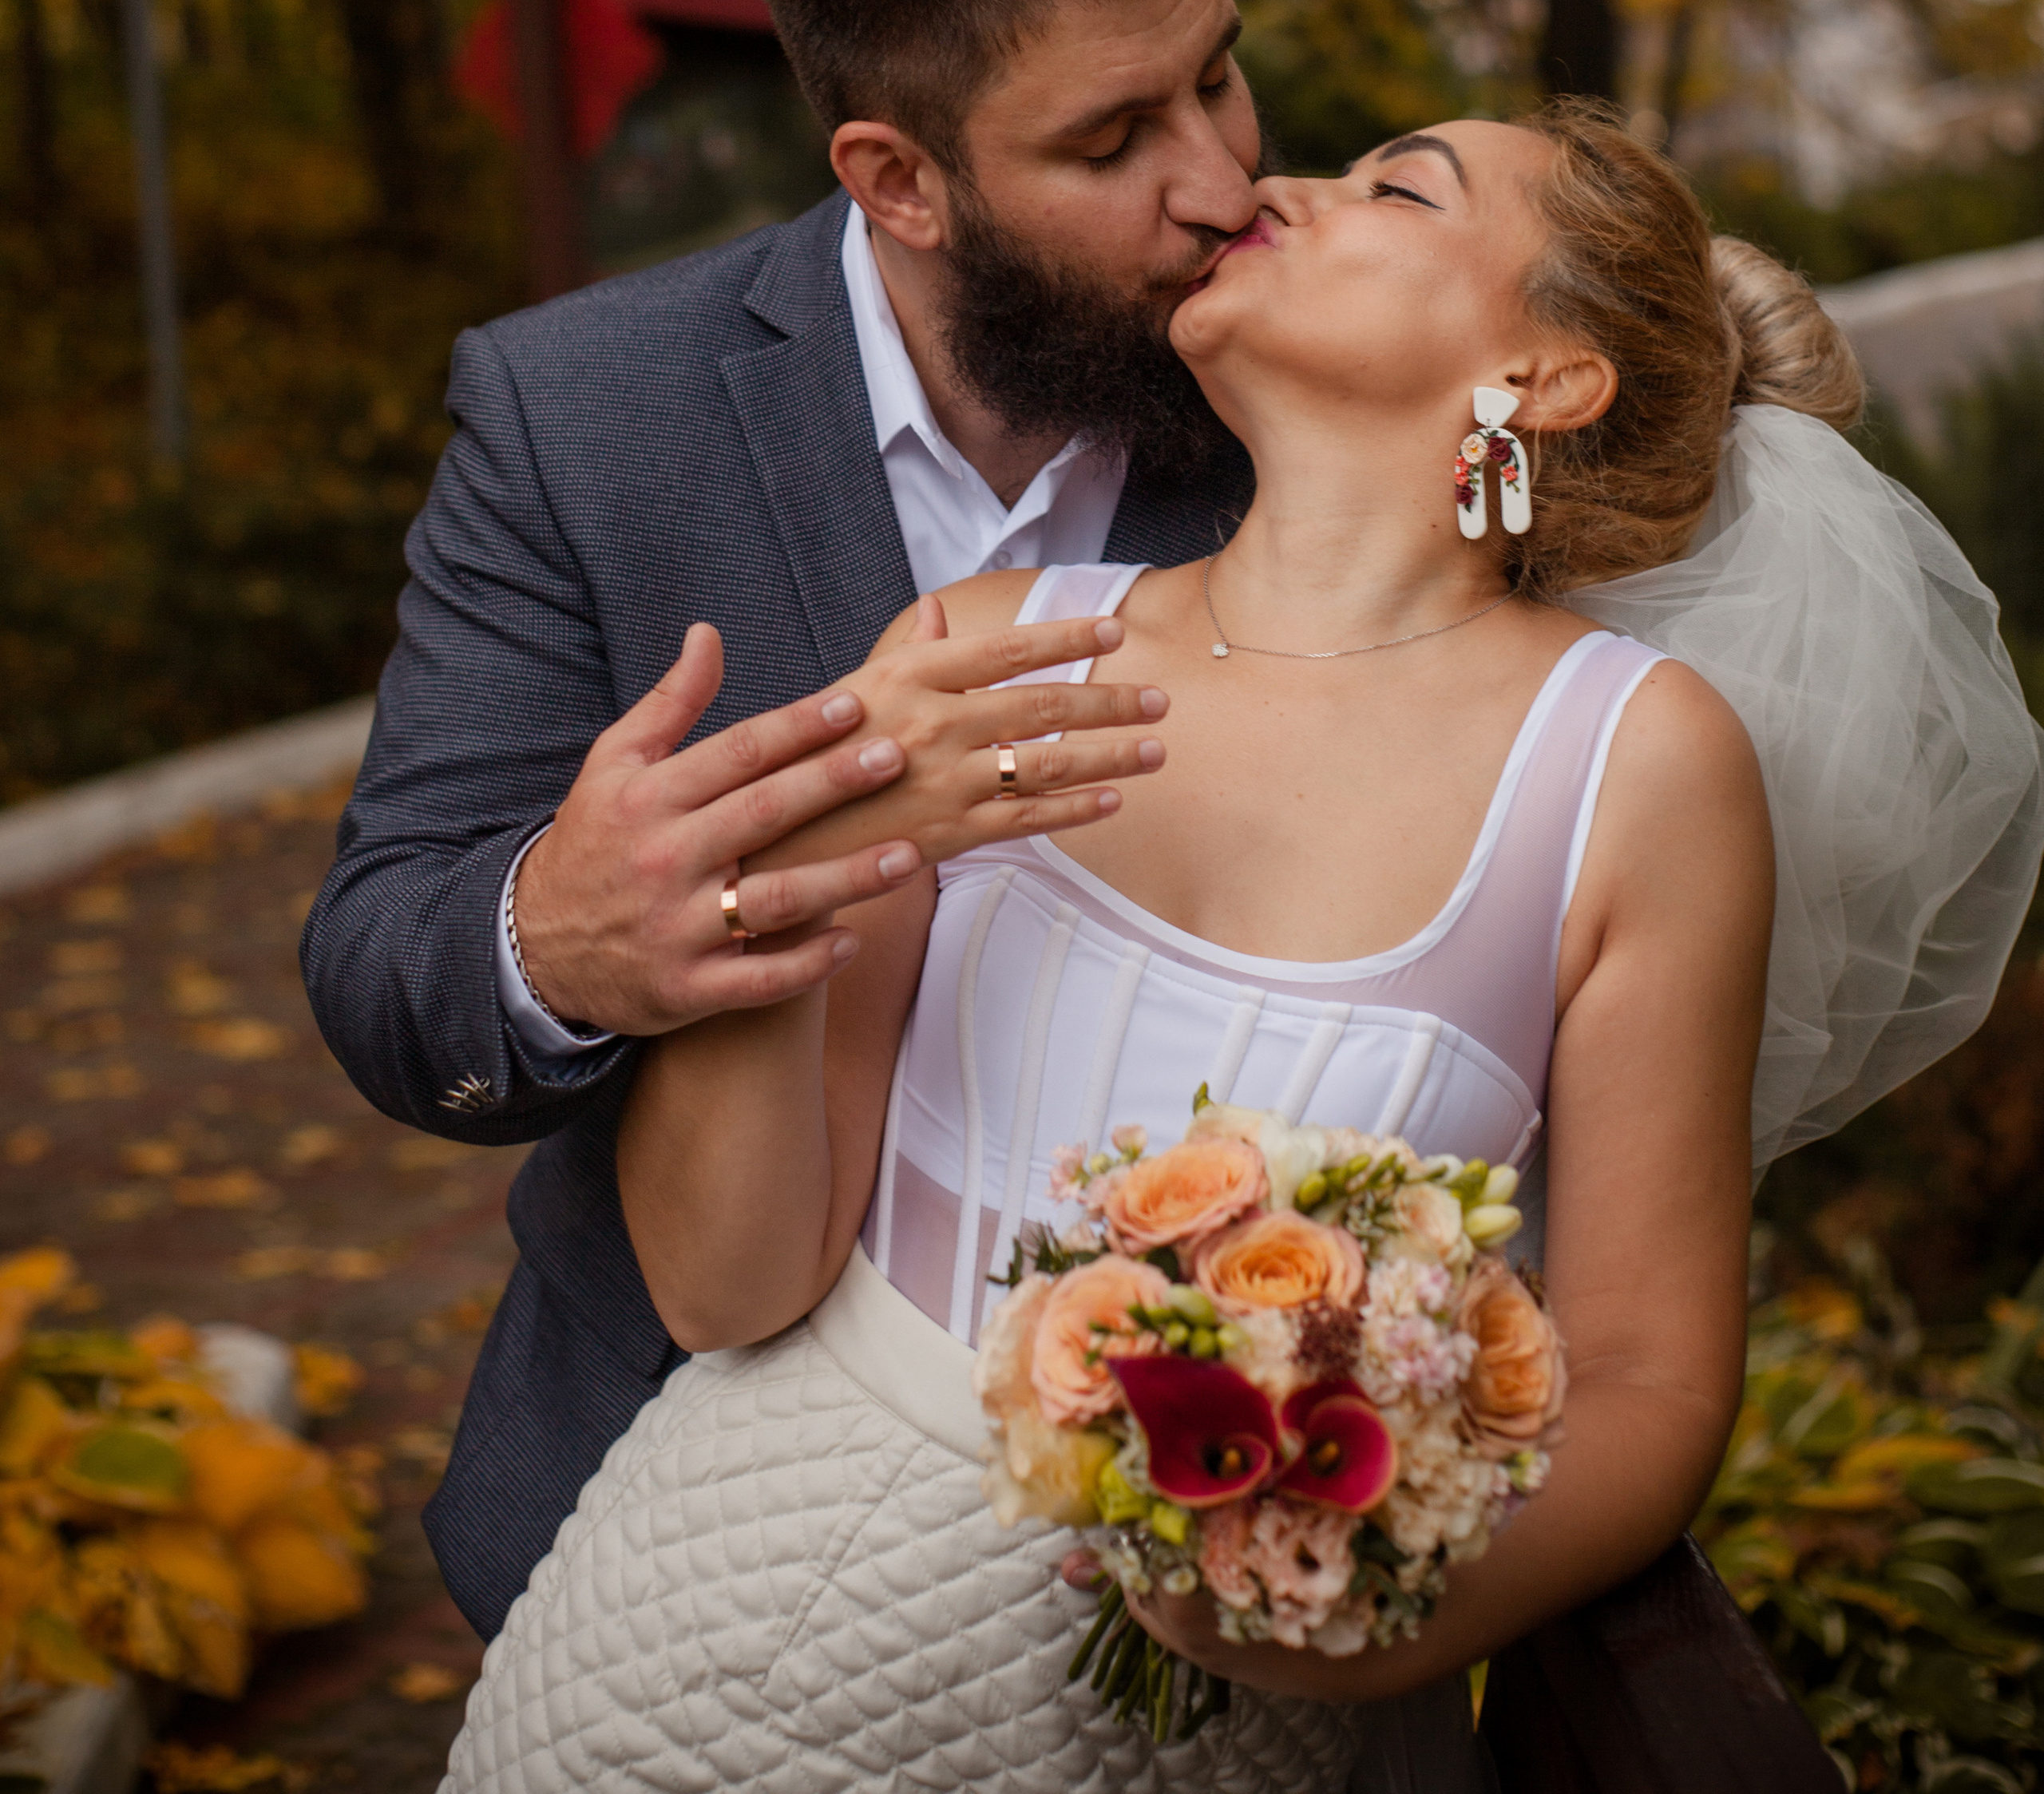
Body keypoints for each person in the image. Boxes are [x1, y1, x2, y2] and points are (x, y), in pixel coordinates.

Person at [445, 103, 2038, 1792]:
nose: (1272, 187)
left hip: (1218, 1740)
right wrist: (809, 856)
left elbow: (1648, 1376)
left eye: (1395, 188)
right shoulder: (979, 655)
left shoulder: (1632, 768)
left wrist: (1378, 1609)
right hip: (684, 1644)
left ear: (1546, 377)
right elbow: (723, 1283)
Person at [300, 0, 1270, 1637]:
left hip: (1205, 1534)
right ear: (896, 180)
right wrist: (558, 939)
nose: (1220, 187)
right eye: (1110, 142)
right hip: (666, 1518)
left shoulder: (1315, 355)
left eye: (1218, 76)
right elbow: (383, 955)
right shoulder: (577, 414)